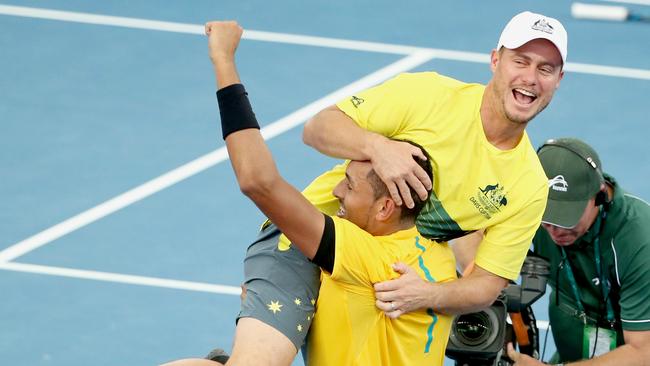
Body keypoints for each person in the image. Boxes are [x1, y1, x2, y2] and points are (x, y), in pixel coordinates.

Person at [162, 21, 456, 366]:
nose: (336, 191)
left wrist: (224, 61)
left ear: (385, 207)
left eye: (349, 183)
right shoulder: (439, 258)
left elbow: (257, 181)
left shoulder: (363, 254)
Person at [301, 10, 567, 316]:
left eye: (545, 69)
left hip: (381, 285)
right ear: (496, 60)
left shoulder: (529, 187)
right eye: (520, 61)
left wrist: (427, 293)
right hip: (307, 241)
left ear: (559, 80)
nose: (530, 78)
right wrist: (378, 147)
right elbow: (317, 128)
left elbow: (487, 283)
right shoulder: (429, 95)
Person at [506, 138, 650, 365]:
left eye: (565, 219)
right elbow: (473, 227)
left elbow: (642, 352)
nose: (554, 231)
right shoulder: (528, 205)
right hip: (571, 351)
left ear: (599, 195)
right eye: (546, 219)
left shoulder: (640, 238)